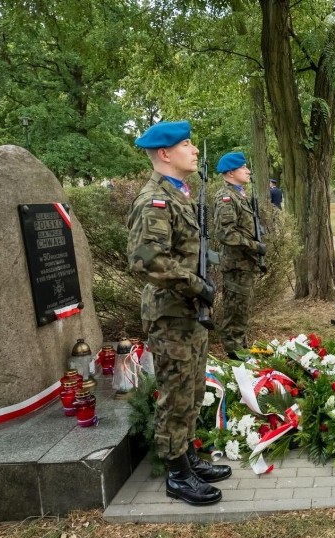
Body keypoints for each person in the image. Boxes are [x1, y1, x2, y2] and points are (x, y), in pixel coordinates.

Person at [126, 121, 231, 506]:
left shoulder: (180, 194)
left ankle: (186, 457)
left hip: (187, 311)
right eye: (186, 144)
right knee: (176, 392)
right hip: (171, 313)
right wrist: (196, 285)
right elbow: (146, 260)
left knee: (192, 388)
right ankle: (176, 474)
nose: (195, 149)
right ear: (165, 154)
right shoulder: (154, 199)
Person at [213, 151, 264, 361]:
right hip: (236, 266)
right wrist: (255, 246)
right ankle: (235, 357)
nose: (248, 171)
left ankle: (241, 350)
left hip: (245, 265)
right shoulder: (226, 197)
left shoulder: (239, 194)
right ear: (231, 172)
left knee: (242, 312)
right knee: (235, 313)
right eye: (243, 168)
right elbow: (226, 233)